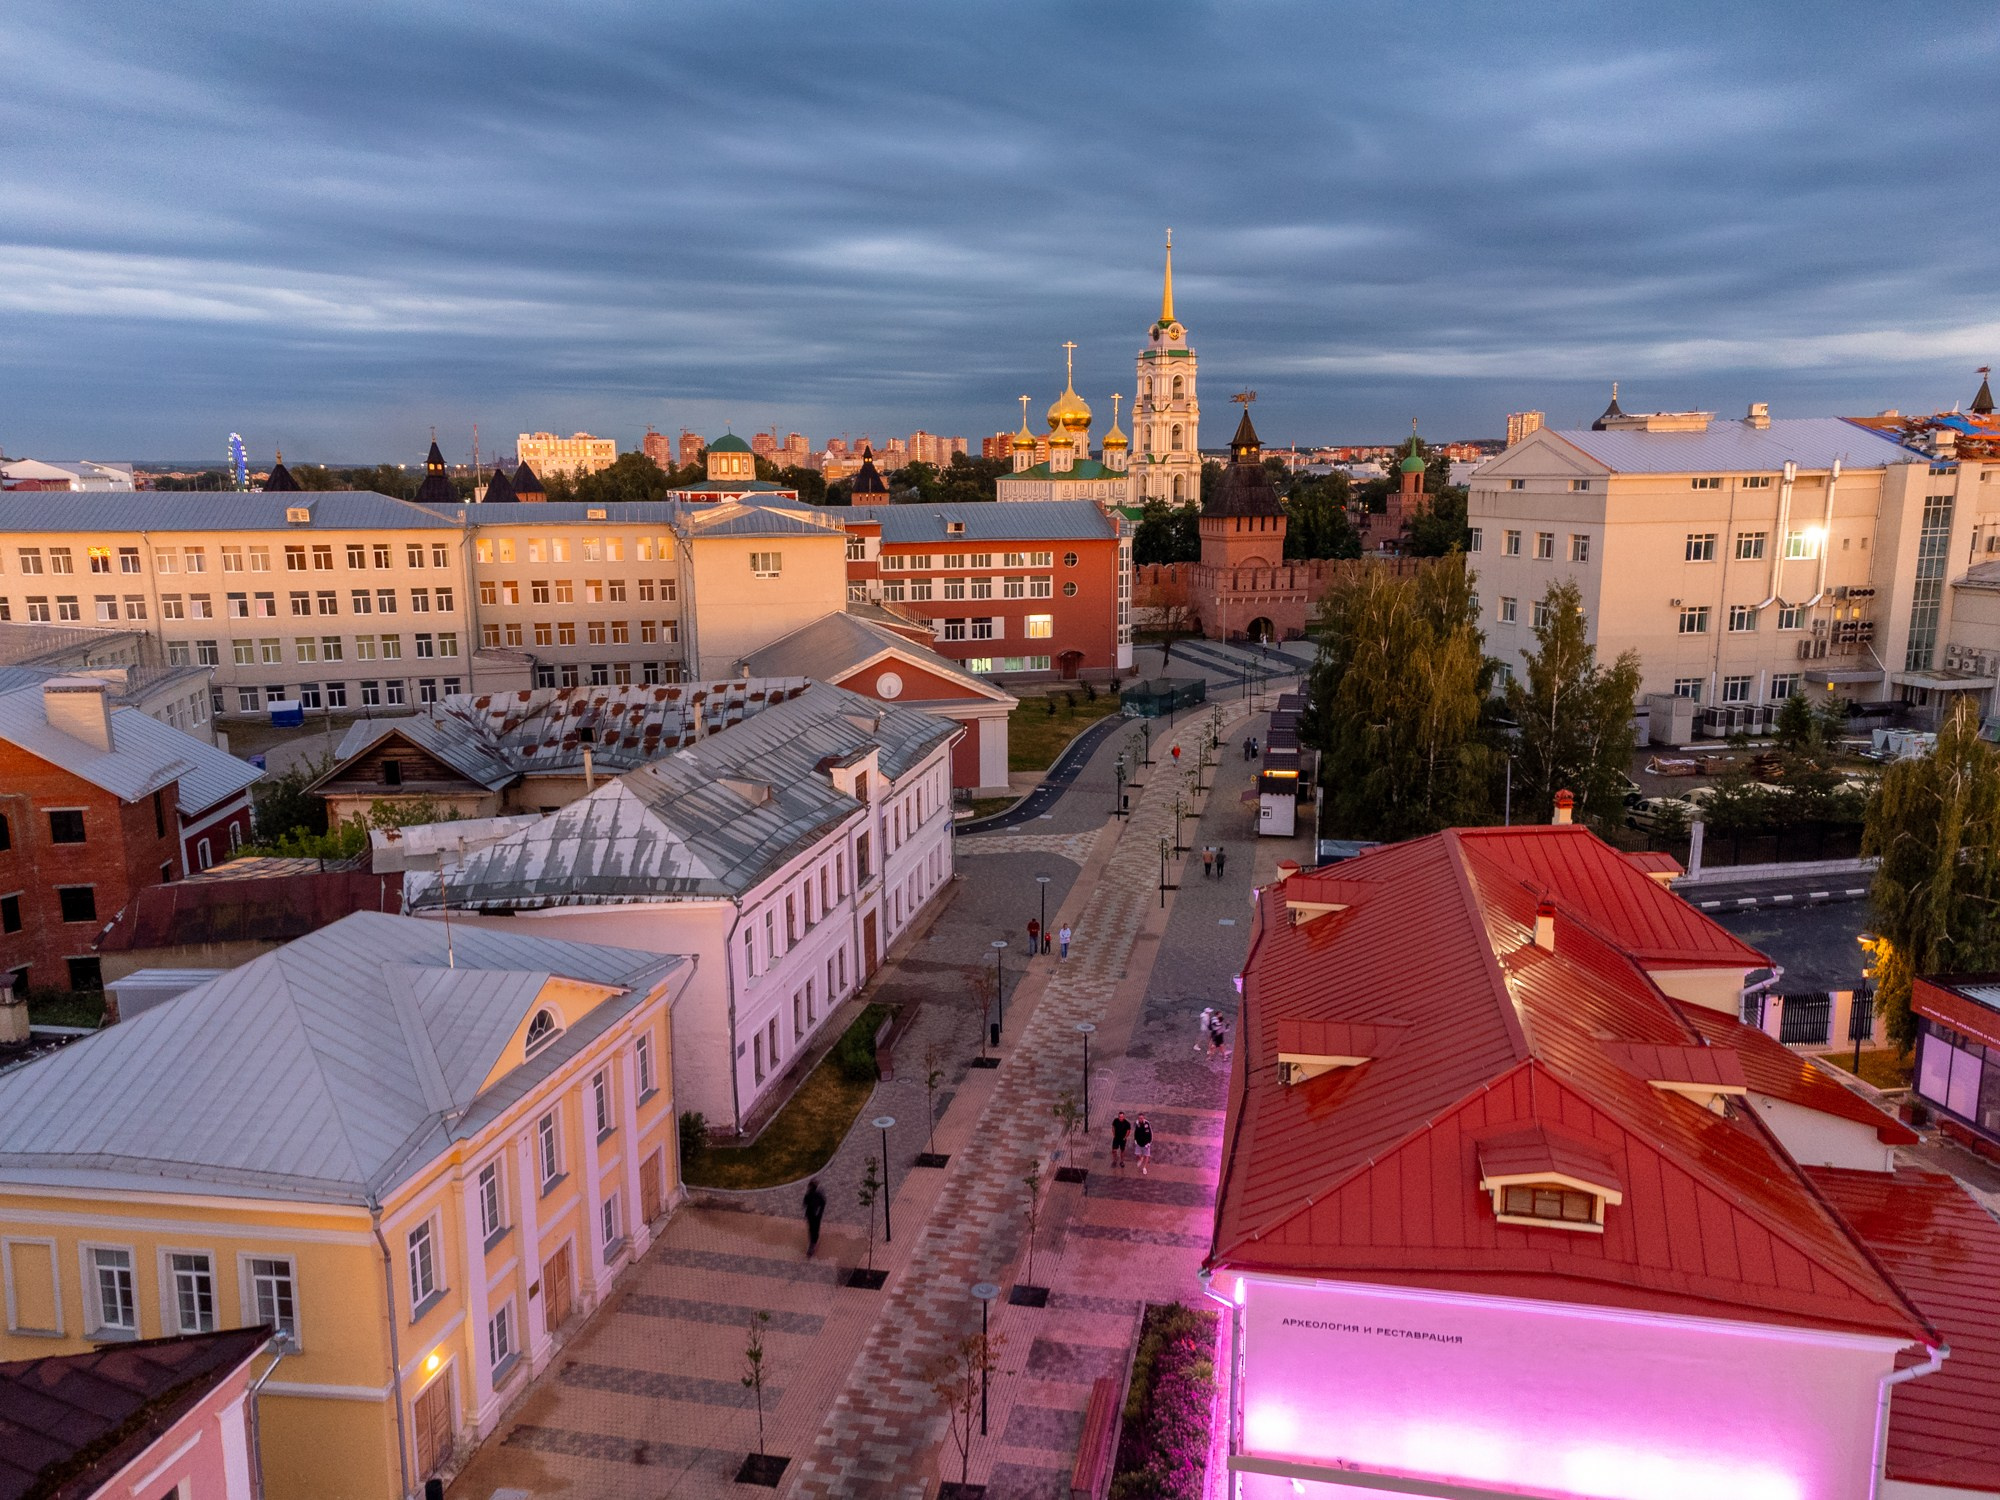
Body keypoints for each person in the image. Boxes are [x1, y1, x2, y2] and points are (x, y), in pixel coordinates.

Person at [802, 1178, 827, 1258]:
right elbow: (823, 1203)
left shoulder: (810, 1195)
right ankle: (813, 1242)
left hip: (813, 1215)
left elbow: (805, 1203)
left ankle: (813, 1244)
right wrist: (820, 1211)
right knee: (814, 1229)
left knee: (813, 1229)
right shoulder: (816, 1195)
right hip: (815, 1215)